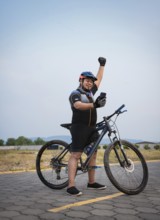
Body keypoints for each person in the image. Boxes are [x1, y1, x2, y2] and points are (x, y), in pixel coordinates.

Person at [67, 57, 107, 196]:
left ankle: (91, 183)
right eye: (87, 80)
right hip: (79, 128)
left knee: (93, 153)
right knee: (76, 155)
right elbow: (77, 105)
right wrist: (94, 105)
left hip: (91, 128)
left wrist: (102, 65)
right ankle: (71, 185)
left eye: (91, 81)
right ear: (81, 80)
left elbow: (99, 79)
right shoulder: (75, 93)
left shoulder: (91, 93)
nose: (90, 83)